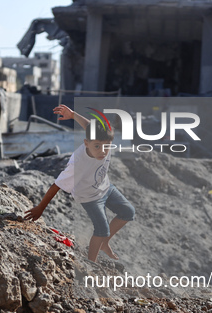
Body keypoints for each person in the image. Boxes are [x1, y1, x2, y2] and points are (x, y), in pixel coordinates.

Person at [24, 105, 135, 262]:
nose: (103, 151)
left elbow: (89, 126)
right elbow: (57, 185)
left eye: (107, 146)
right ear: (86, 143)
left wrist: (74, 114)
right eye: (97, 146)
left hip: (105, 187)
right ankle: (91, 263)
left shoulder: (100, 140)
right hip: (89, 196)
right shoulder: (79, 163)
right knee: (101, 229)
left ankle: (105, 244)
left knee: (128, 212)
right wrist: (40, 208)